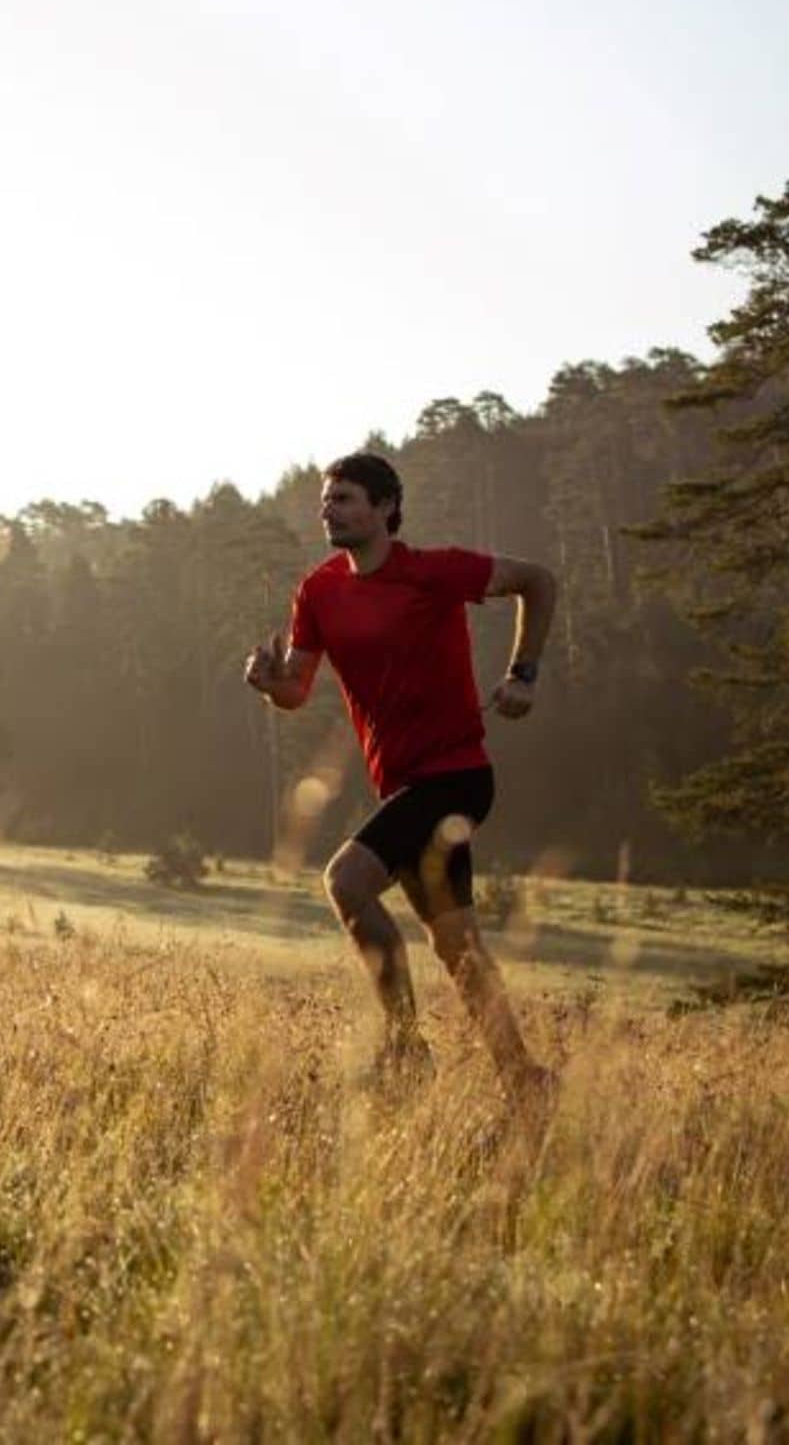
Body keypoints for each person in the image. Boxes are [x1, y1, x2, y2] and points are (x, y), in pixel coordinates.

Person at [243, 452, 558, 1105]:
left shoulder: (434, 571)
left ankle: (406, 1048)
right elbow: (296, 690)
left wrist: (523, 674)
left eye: (345, 499)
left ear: (385, 507)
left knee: (346, 881)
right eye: (325, 500)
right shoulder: (318, 591)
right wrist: (269, 684)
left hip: (457, 777)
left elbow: (538, 580)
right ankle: (525, 1080)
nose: (329, 510)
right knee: (457, 947)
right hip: (403, 785)